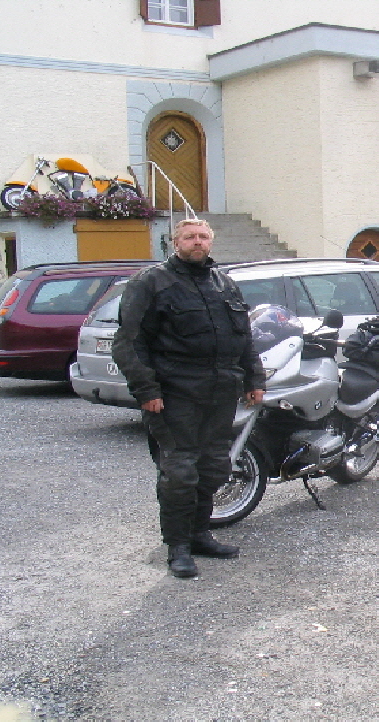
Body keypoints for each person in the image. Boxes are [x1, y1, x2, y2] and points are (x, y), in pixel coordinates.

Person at [112, 219, 265, 578]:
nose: (197, 242)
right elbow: (129, 343)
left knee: (214, 467)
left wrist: (253, 377)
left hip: (220, 391)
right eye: (189, 237)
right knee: (180, 472)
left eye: (203, 237)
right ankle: (177, 547)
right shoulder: (151, 283)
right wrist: (146, 390)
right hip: (175, 393)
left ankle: (199, 534)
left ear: (210, 242)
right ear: (174, 241)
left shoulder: (222, 282)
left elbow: (243, 337)